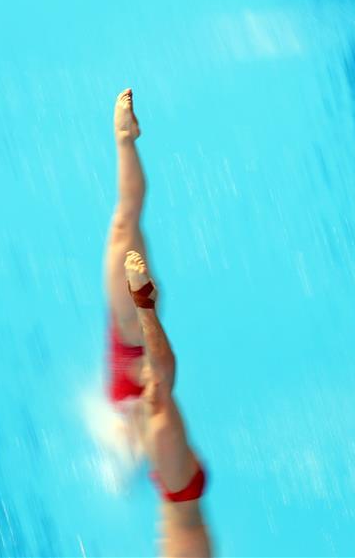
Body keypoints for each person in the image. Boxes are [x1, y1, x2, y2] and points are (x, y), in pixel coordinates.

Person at [103, 88, 213, 558]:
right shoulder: (154, 401)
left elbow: (163, 373)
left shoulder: (155, 407)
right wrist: (125, 143)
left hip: (146, 427)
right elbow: (163, 372)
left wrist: (144, 303)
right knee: (124, 225)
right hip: (145, 431)